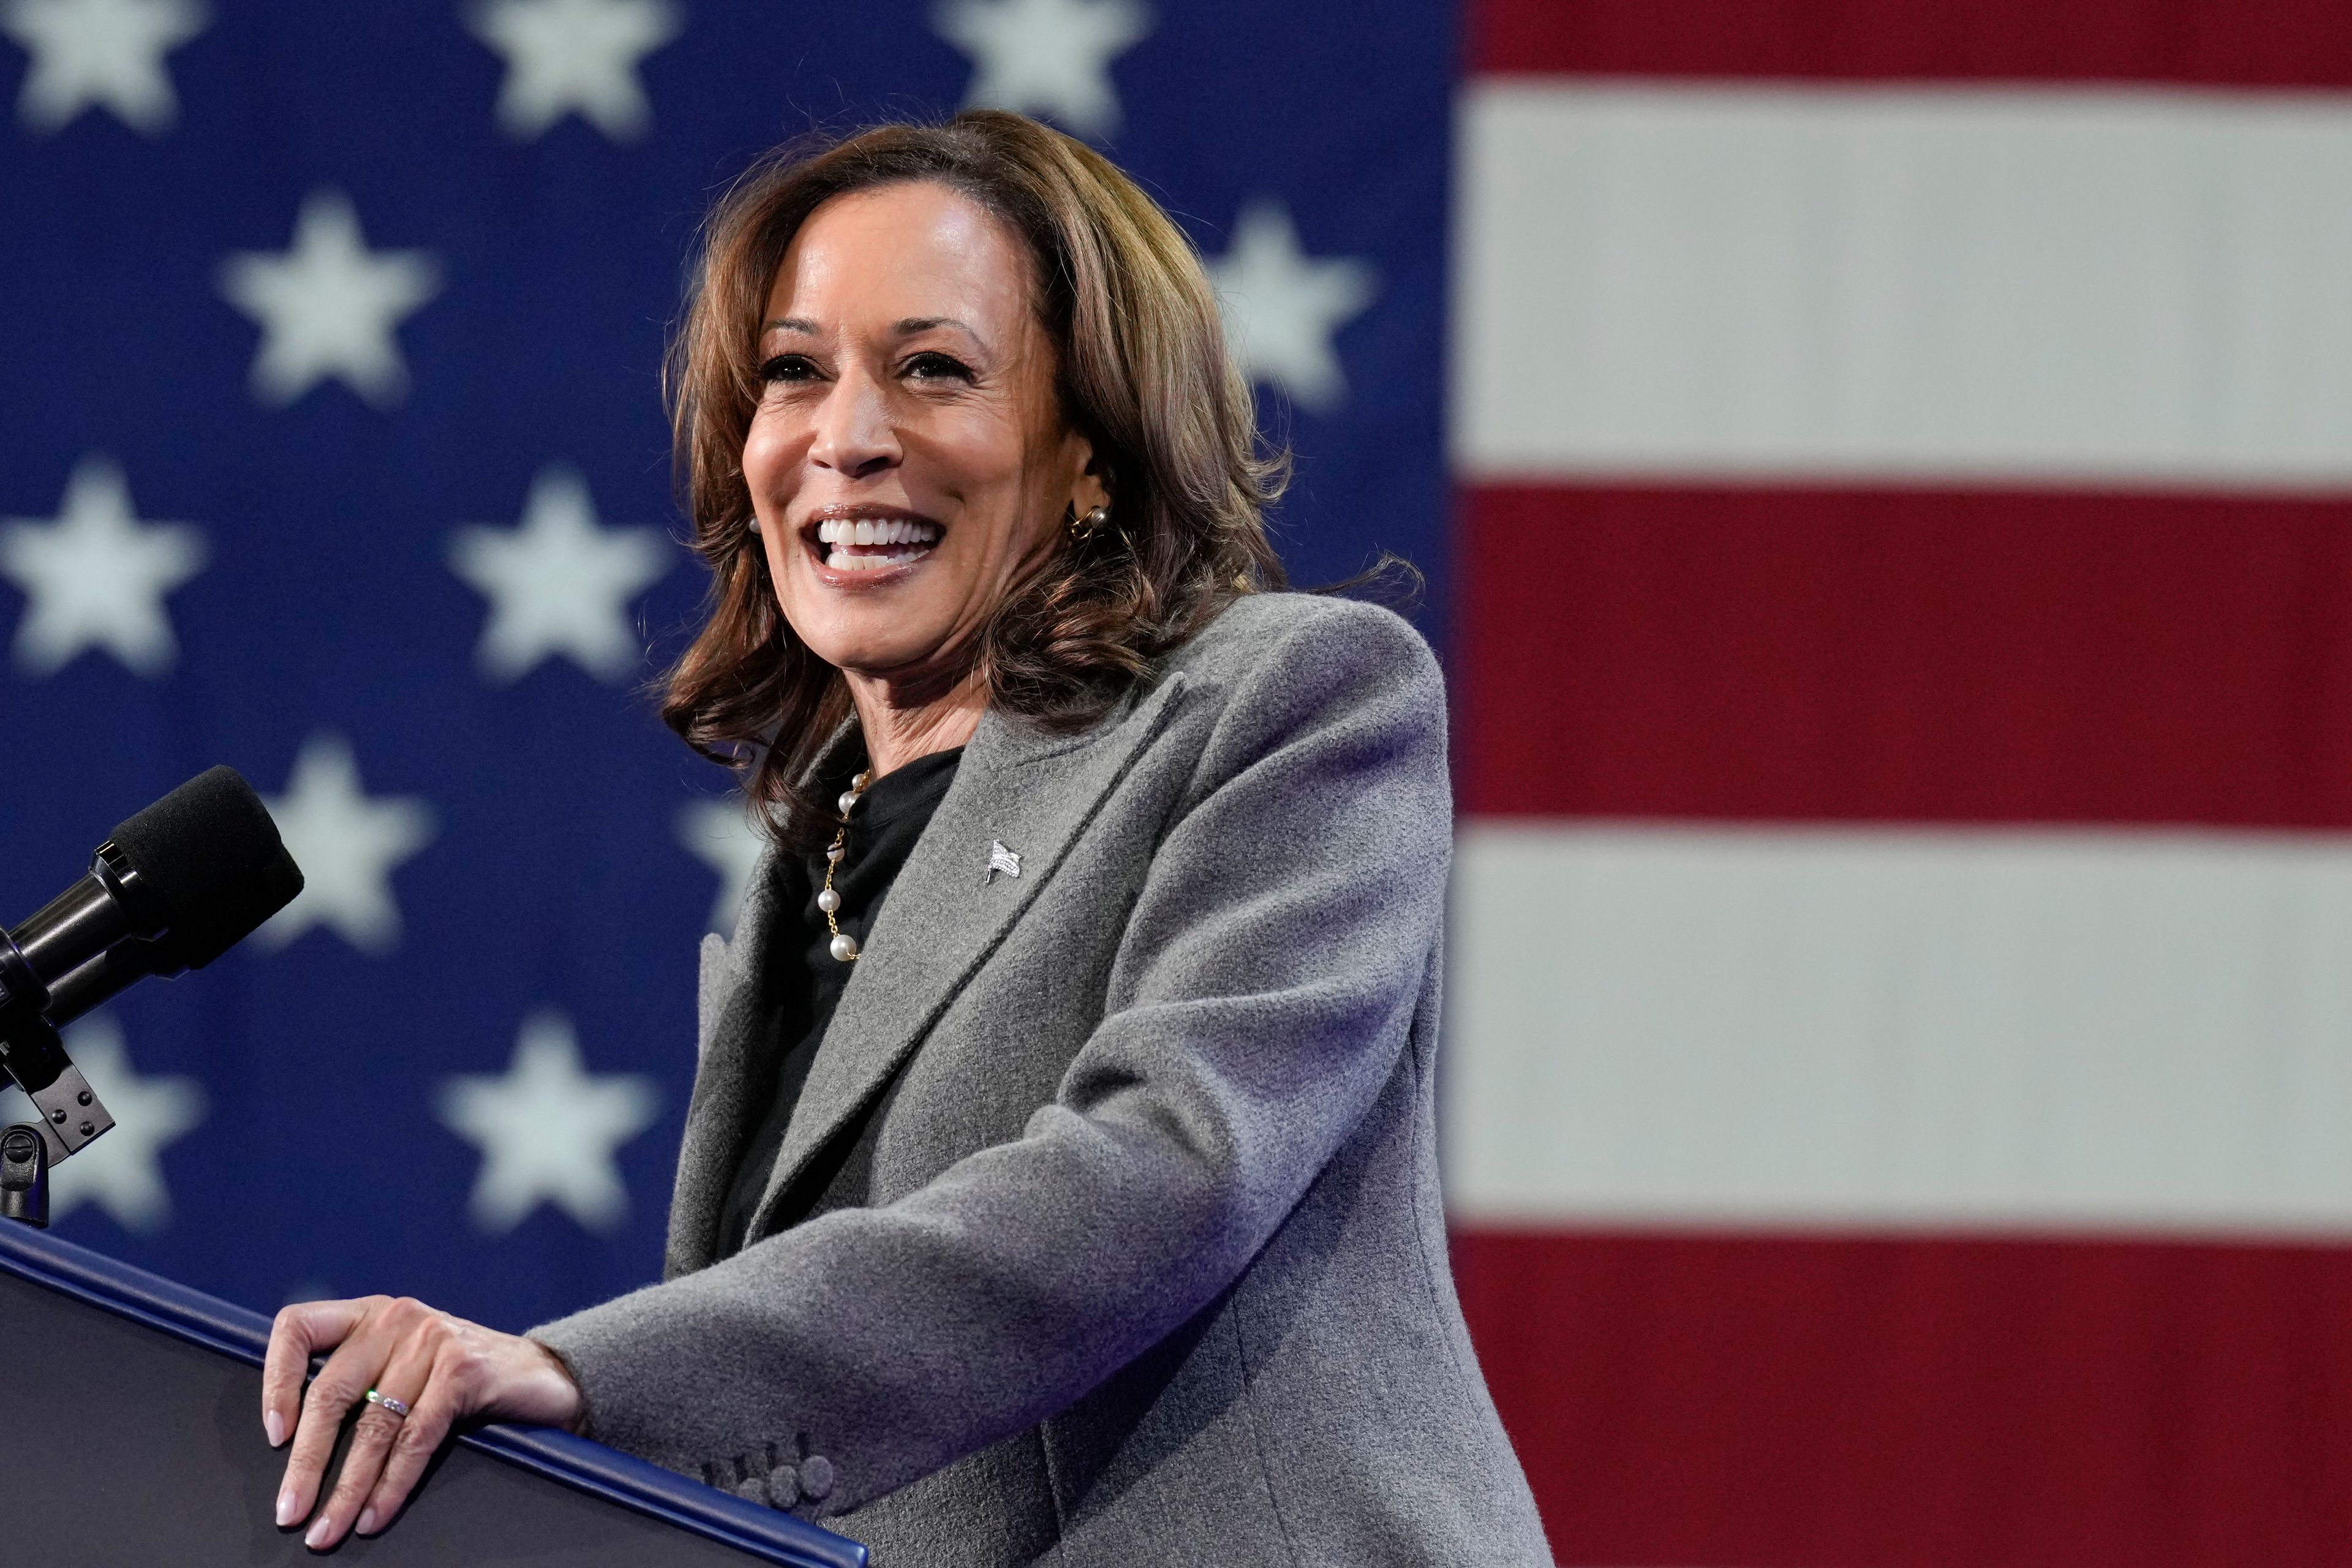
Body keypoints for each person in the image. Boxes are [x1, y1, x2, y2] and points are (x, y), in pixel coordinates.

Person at [260, 111, 1552, 1566]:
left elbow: (1170, 1165)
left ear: (1092, 452)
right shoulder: (803, 864)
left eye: (933, 369)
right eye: (795, 374)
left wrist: (584, 1374)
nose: (848, 438)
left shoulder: (1291, 698)